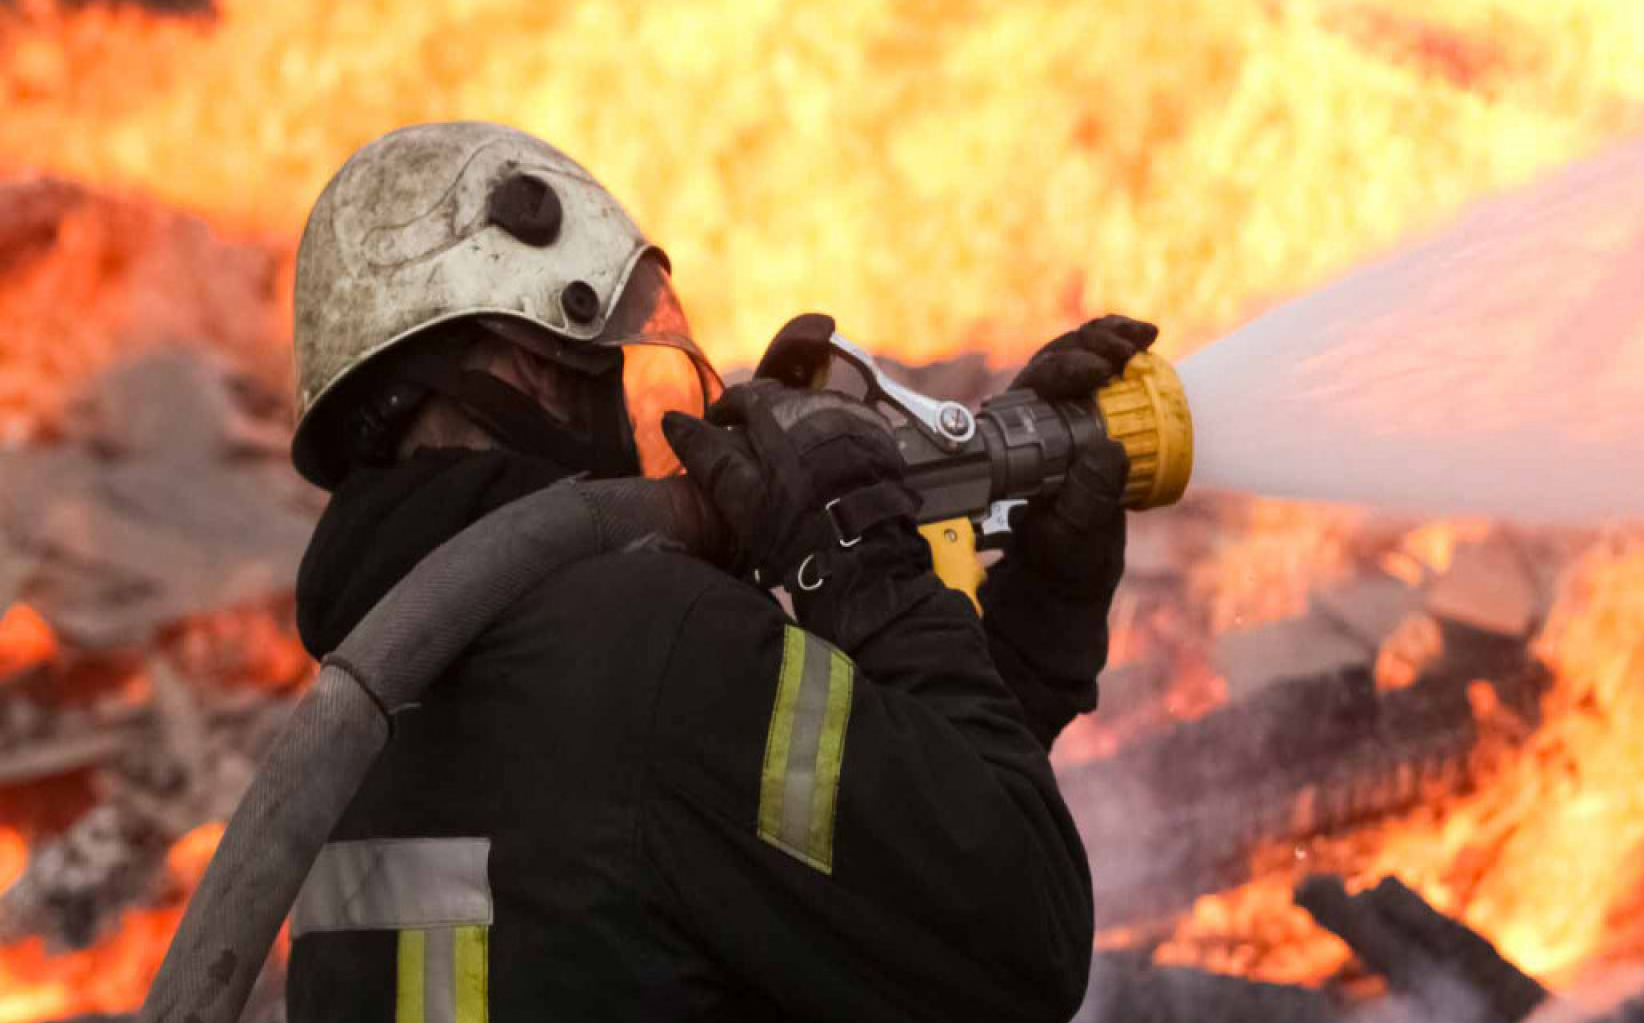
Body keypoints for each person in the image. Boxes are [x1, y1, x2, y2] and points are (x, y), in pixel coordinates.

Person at [284, 120, 1157, 1023]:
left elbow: (876, 873)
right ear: (531, 366)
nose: (629, 413)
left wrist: (1034, 620)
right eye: (603, 365)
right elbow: (1017, 931)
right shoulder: (652, 647)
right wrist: (861, 554)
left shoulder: (346, 731)